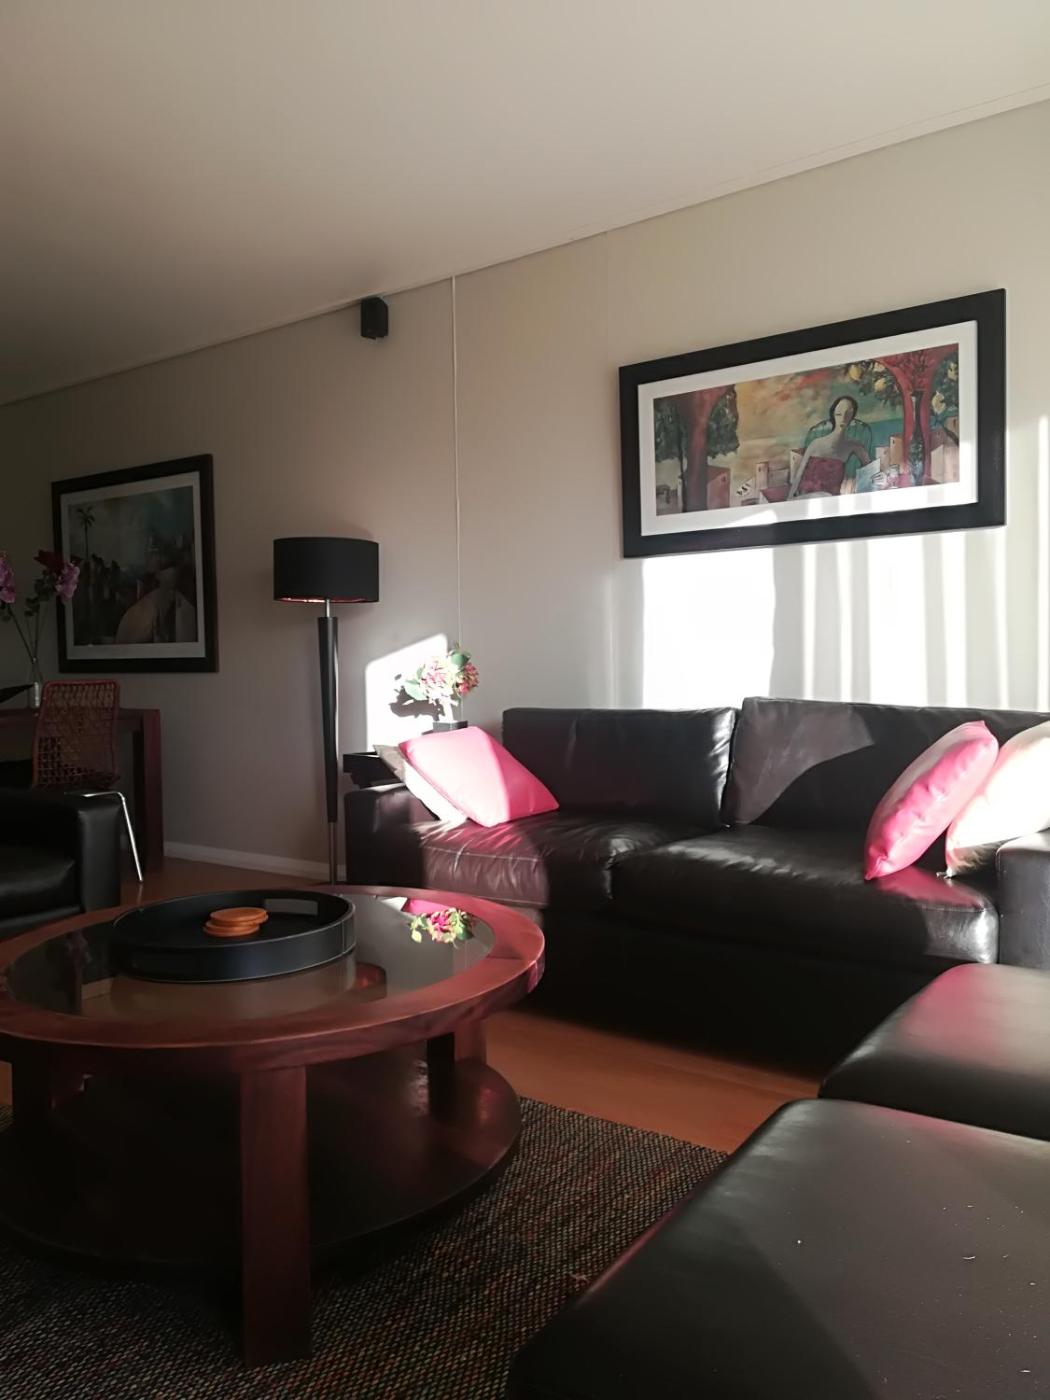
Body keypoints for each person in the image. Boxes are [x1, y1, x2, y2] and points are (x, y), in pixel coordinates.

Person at [788, 396, 874, 498]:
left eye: (848, 413)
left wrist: (879, 478)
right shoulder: (816, 444)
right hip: (806, 498)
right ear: (833, 414)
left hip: (830, 500)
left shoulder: (854, 446)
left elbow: (871, 470)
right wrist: (789, 499)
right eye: (839, 414)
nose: (843, 418)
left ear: (853, 415)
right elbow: (799, 475)